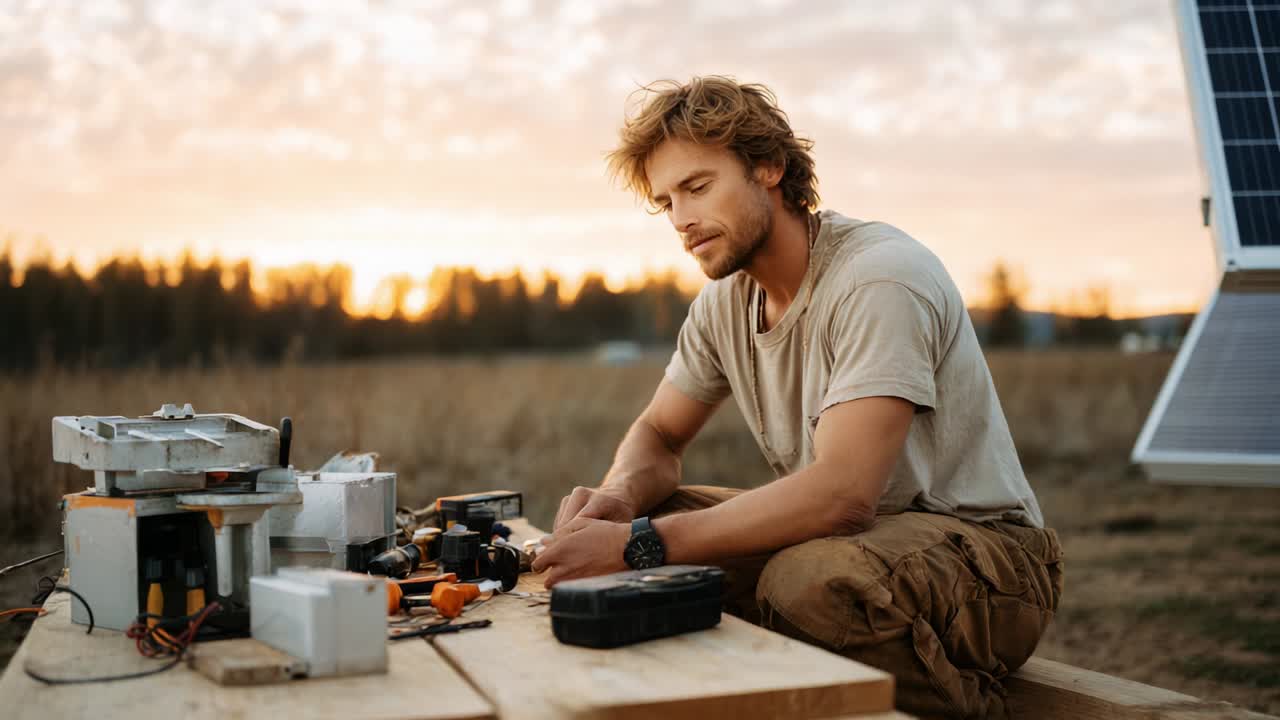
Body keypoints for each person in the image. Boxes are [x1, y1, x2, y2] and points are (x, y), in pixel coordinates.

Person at [530, 76, 1062, 720]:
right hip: (862, 544)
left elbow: (842, 495)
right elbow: (660, 438)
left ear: (769, 167)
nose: (680, 219)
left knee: (806, 581)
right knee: (651, 508)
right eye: (665, 200)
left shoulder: (878, 277)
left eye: (697, 187)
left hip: (991, 560)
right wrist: (618, 502)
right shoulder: (724, 303)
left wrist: (635, 546)